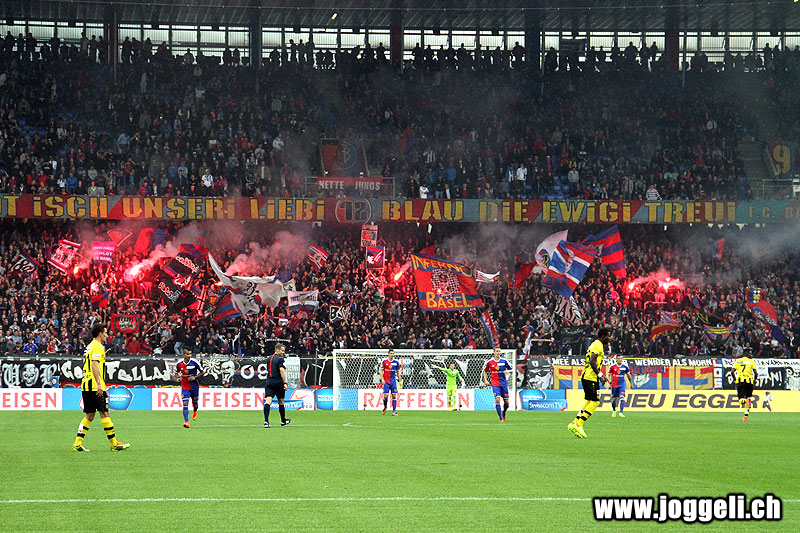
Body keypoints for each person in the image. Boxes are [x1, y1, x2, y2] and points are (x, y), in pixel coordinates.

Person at [72, 323, 130, 452]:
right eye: (105, 333)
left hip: (86, 384)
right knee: (104, 413)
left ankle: (77, 444)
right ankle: (114, 444)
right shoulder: (98, 346)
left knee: (90, 415)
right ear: (100, 334)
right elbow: (94, 364)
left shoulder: (89, 346)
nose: (106, 335)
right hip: (94, 385)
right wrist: (99, 385)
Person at [568, 328, 612, 438]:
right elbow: (592, 361)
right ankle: (579, 424)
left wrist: (601, 375)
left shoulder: (594, 344)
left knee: (589, 401)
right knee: (595, 402)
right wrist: (600, 375)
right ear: (603, 336)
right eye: (608, 336)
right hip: (590, 377)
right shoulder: (598, 345)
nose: (609, 338)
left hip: (588, 376)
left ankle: (574, 423)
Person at [174, 345, 205, 428]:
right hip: (185, 386)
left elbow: (202, 372)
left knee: (195, 403)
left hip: (194, 386)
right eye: (187, 354)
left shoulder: (195, 362)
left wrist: (195, 377)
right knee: (185, 403)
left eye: (190, 354)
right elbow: (176, 372)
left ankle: (195, 410)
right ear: (183, 354)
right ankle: (187, 422)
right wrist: (177, 378)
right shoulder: (179, 363)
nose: (189, 356)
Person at [263, 343, 291, 428]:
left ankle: (266, 421)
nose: (283, 352)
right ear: (277, 350)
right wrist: (285, 382)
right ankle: (283, 421)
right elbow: (282, 370)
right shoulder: (280, 359)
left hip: (269, 381)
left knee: (268, 401)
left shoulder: (269, 358)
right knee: (281, 401)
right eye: (282, 350)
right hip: (278, 382)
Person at [482, 347, 513, 422]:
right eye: (497, 351)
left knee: (507, 402)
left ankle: (504, 413)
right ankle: (500, 418)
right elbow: (485, 371)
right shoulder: (490, 362)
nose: (498, 352)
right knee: (497, 399)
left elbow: (512, 370)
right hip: (495, 384)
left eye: (499, 351)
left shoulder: (504, 361)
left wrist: (508, 371)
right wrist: (485, 380)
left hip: (504, 384)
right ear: (494, 352)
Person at [734, 347, 757, 422]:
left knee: (740, 400)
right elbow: (756, 373)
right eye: (750, 353)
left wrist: (735, 380)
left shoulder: (738, 361)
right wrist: (755, 380)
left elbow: (732, 371)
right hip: (749, 382)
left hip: (740, 381)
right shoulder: (751, 362)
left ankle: (744, 400)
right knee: (749, 398)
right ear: (746, 353)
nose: (751, 355)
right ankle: (745, 416)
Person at [608, 354, 633, 418]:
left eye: (621, 358)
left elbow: (628, 375)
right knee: (613, 399)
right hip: (614, 385)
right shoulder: (612, 366)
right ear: (616, 359)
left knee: (622, 397)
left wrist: (631, 384)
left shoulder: (625, 367)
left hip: (622, 385)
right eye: (619, 358)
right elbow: (609, 375)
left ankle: (621, 412)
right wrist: (608, 383)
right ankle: (614, 411)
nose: (620, 360)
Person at [380, 349, 401, 415]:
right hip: (386, 381)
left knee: (394, 395)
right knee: (386, 396)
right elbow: (381, 370)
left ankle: (394, 411)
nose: (392, 355)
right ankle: (385, 407)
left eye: (393, 353)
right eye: (391, 353)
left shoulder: (396, 362)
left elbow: (398, 371)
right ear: (388, 354)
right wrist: (382, 379)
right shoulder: (384, 362)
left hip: (393, 381)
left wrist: (399, 380)